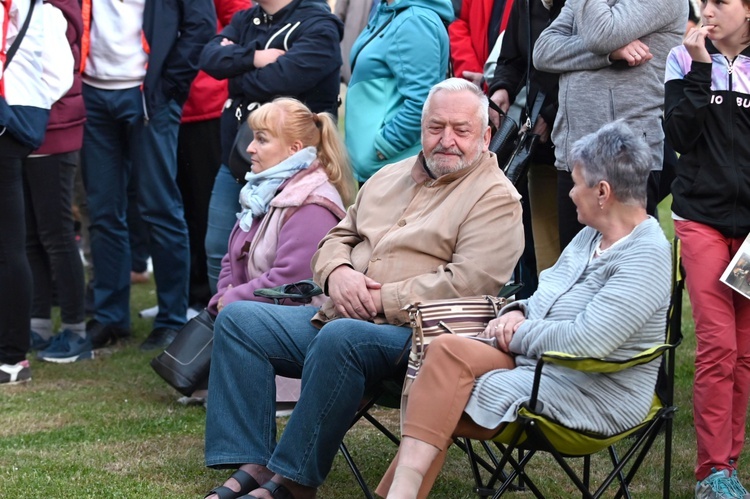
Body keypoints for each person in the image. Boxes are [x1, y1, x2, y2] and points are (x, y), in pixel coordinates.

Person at [202, 78, 524, 499]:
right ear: (421, 129)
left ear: (484, 135)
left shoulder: (497, 198)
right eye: (435, 127)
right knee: (239, 320)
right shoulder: (389, 177)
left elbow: (467, 283)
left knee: (342, 337)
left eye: (461, 130)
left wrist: (378, 298)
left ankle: (292, 483)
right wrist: (338, 274)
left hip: (422, 339)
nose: (447, 140)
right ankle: (254, 464)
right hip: (339, 315)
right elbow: (335, 238)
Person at [378, 120, 672, 499]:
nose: (569, 193)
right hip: (541, 364)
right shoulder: (590, 237)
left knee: (440, 395)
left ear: (603, 192)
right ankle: (401, 491)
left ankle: (397, 493)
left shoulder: (645, 256)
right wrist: (515, 312)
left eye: (576, 183)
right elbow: (545, 295)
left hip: (591, 388)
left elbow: (590, 340)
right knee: (444, 352)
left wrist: (518, 334)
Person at [80, 0, 216, 352]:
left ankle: (171, 318)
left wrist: (168, 85)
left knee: (160, 207)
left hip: (147, 94)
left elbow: (201, 24)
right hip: (93, 92)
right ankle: (109, 315)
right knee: (103, 211)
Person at [664, 1, 750, 496]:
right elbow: (678, 134)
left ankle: (729, 464)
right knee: (718, 345)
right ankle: (713, 472)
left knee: (744, 352)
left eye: (721, 1)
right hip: (700, 220)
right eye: (705, 2)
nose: (708, 10)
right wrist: (700, 69)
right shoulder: (684, 58)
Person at [199, 0, 343, 293]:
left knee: (272, 259)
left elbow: (279, 81)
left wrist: (236, 68)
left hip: (294, 171)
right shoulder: (245, 19)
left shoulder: (319, 25)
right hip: (238, 162)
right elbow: (210, 58)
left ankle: (254, 328)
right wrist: (256, 57)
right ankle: (221, 322)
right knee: (219, 250)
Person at [533, 0, 687, 249]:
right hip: (573, 157)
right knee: (576, 274)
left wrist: (603, 46)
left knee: (623, 272)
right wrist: (610, 54)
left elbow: (602, 35)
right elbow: (543, 52)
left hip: (624, 161)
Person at [0, 0, 73, 384]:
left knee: (13, 245)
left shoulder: (45, 14)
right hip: (19, 121)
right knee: (13, 245)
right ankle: (12, 356)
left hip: (10, 120)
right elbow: (59, 76)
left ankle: (12, 357)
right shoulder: (47, 13)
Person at [22, 0, 87, 363]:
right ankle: (39, 323)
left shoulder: (49, 11)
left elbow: (59, 76)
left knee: (57, 235)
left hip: (51, 130)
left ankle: (76, 330)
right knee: (31, 235)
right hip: (25, 130)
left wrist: (20, 109)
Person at [176, 0, 250, 314]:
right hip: (165, 103)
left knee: (205, 207)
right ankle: (188, 292)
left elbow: (240, 20)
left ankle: (205, 296)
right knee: (181, 203)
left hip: (205, 101)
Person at [488, 0, 563, 282]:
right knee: (546, 261)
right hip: (539, 152)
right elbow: (512, 59)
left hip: (587, 155)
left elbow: (594, 64)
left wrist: (552, 113)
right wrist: (503, 89)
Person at [344, 0, 453, 183]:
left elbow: (422, 103)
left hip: (393, 172)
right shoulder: (389, 11)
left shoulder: (415, 21)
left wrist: (383, 148)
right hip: (380, 171)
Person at [449, 0, 515, 89]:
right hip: (475, 86)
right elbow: (458, 22)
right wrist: (472, 75)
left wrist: (494, 81)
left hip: (513, 91)